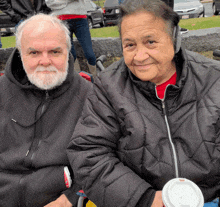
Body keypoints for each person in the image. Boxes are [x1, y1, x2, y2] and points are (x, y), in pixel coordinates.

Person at [67, 0, 220, 206]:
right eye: (130, 45)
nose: (139, 56)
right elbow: (89, 153)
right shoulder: (108, 86)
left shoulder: (214, 78)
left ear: (174, 39)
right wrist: (144, 199)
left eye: (150, 42)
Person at [0, 13, 92, 207]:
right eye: (34, 53)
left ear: (68, 52)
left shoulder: (90, 95)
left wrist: (73, 197)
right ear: (20, 53)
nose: (45, 61)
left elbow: (103, 159)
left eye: (55, 52)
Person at [46, 0, 97, 76]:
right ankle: (78, 79)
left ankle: (96, 79)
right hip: (62, 21)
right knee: (71, 55)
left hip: (81, 20)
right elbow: (50, 3)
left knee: (90, 54)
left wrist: (62, 3)